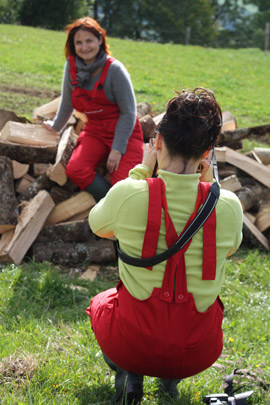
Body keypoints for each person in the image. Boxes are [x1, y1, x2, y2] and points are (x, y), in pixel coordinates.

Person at [86, 88, 243, 403]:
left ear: (157, 143)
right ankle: (169, 384)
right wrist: (208, 181)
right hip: (197, 350)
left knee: (101, 301)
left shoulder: (128, 193)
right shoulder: (228, 206)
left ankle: (129, 377)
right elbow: (230, 249)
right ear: (208, 151)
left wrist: (142, 171)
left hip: (131, 343)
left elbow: (98, 225)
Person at [43, 17, 143, 201]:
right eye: (78, 42)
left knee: (123, 184)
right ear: (73, 46)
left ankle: (119, 206)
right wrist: (56, 126)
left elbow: (129, 112)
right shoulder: (71, 67)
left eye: (89, 40)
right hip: (95, 131)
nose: (84, 47)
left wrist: (117, 149)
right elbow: (67, 102)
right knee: (75, 169)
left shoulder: (115, 70)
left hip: (125, 134)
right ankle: (109, 203)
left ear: (100, 40)